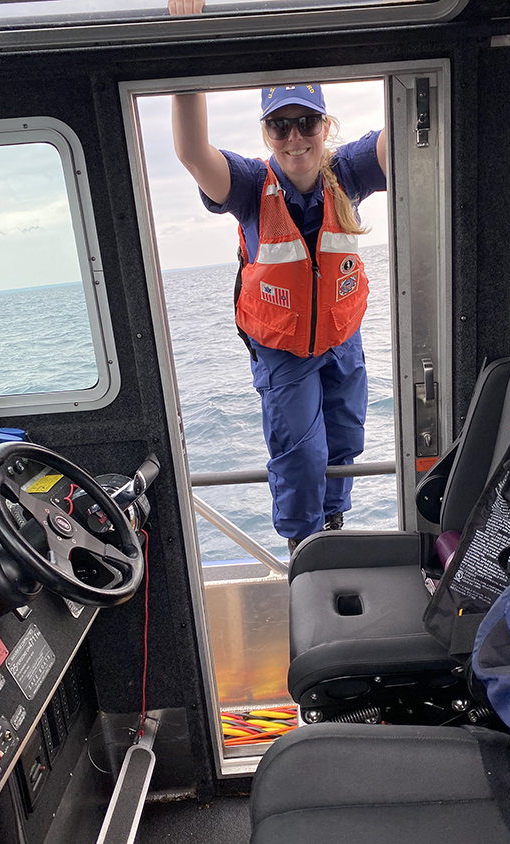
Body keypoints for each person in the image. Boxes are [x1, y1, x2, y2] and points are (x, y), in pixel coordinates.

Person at [169, 3, 387, 553]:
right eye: (280, 125)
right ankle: (302, 551)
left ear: (325, 125)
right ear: (266, 133)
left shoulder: (350, 170)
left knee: (345, 443)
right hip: (282, 348)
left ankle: (332, 533)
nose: (295, 138)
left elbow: (405, 128)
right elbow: (194, 152)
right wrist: (189, 37)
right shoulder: (247, 184)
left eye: (306, 122)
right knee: (301, 454)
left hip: (342, 340)